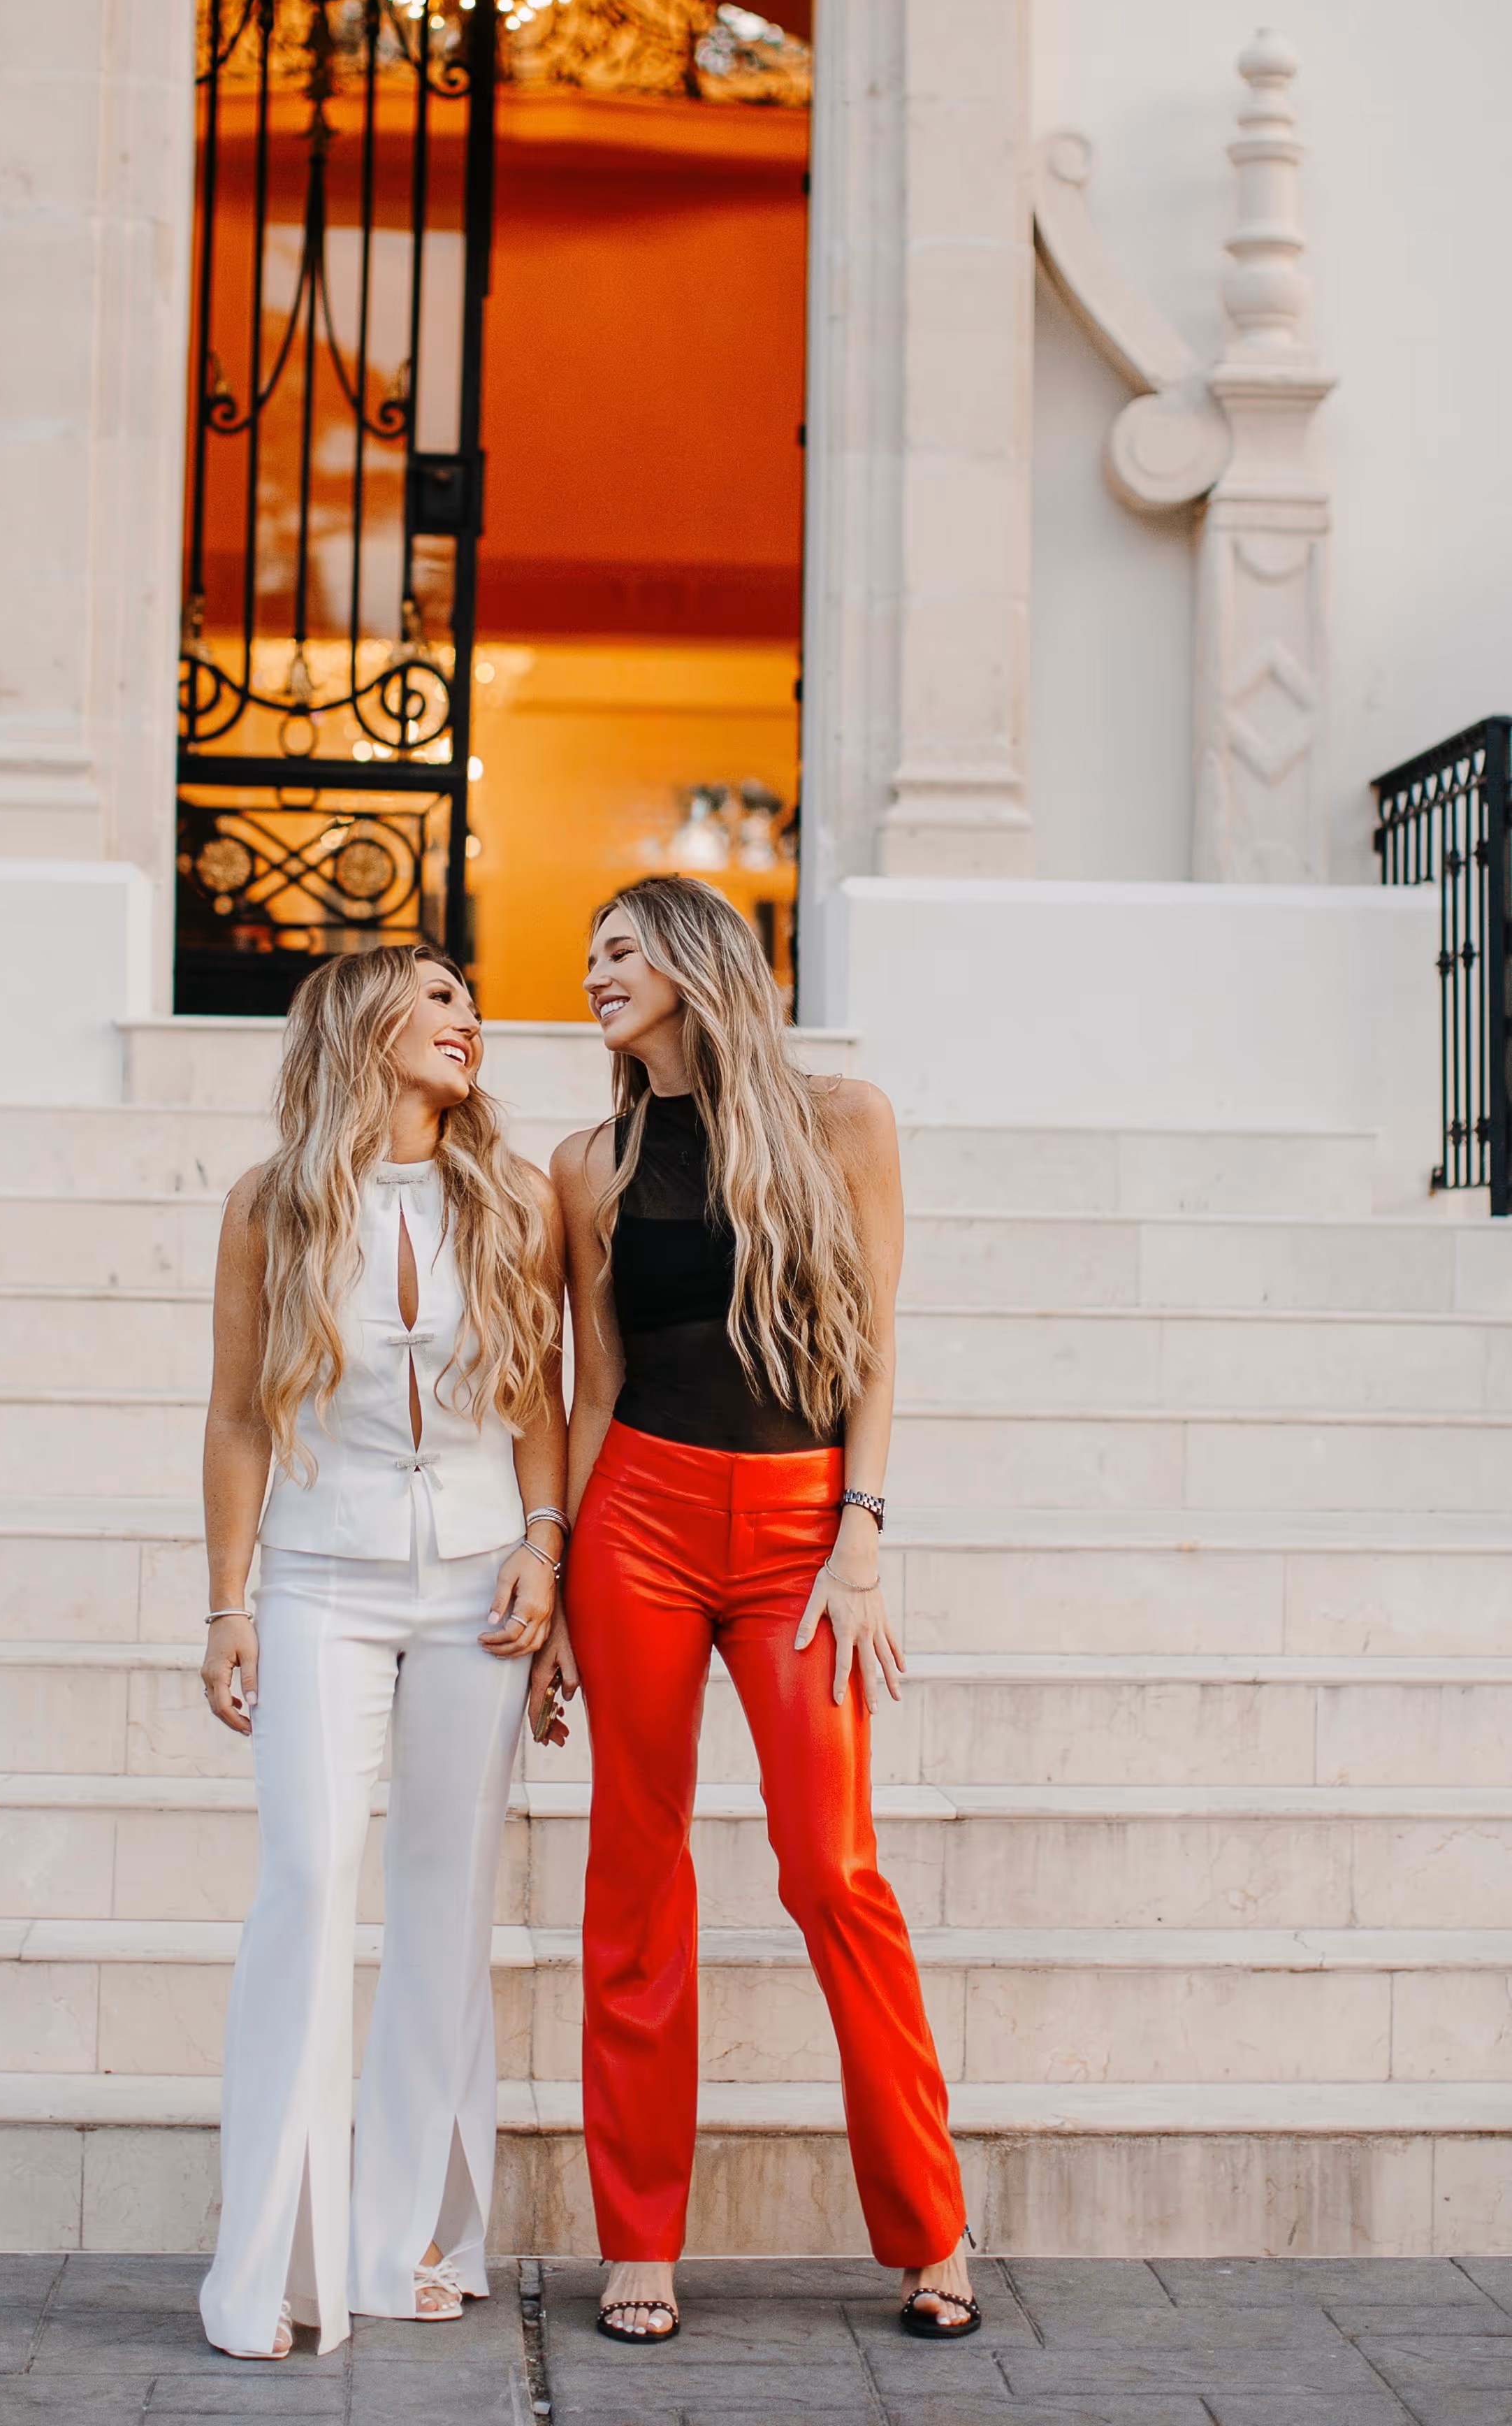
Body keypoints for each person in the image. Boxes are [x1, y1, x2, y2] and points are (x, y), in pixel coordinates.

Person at [536, 876, 975, 2345]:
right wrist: (555, 1582)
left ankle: (929, 2230)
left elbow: (876, 1342)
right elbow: (592, 1384)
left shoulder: (842, 1120)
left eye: (620, 948)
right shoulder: (587, 1164)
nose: (595, 972)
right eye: (590, 953)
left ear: (696, 959)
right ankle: (638, 2240)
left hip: (802, 1531)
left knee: (832, 1866)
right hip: (639, 1521)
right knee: (634, 1871)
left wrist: (862, 1536)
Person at [196, 944, 567, 2360]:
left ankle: (404, 2235)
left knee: (442, 1905)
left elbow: (539, 1395)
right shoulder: (270, 1203)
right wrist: (226, 1602)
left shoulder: (516, 1196)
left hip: (479, 1584)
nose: (469, 1016)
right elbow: (238, 1413)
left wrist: (543, 1548)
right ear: (363, 1022)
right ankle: (270, 2266)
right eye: (439, 995)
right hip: (318, 1577)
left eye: (470, 1000)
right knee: (306, 1878)